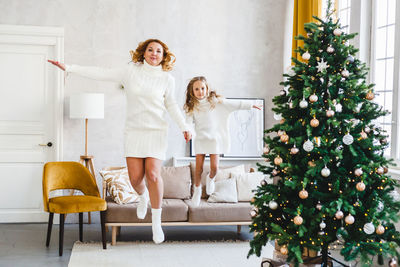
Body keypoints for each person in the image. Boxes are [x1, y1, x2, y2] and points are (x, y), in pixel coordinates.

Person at [48, 39, 191, 244]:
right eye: (150, 49)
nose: (154, 53)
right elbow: (101, 73)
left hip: (156, 131)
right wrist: (70, 68)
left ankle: (156, 222)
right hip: (133, 131)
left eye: (158, 51)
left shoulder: (167, 79)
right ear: (143, 53)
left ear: (164, 56)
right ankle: (143, 197)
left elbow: (172, 105)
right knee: (135, 179)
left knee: (152, 173)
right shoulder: (130, 71)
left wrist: (185, 127)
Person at [184, 76, 261, 206]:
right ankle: (197, 190)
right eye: (196, 89)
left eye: (202, 88)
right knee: (198, 169)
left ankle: (210, 179)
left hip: (215, 140)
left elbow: (233, 104)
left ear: (207, 89)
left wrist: (250, 105)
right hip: (201, 140)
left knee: (215, 168)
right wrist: (188, 131)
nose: (200, 91)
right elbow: (188, 122)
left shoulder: (215, 102)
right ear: (192, 91)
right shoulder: (192, 106)